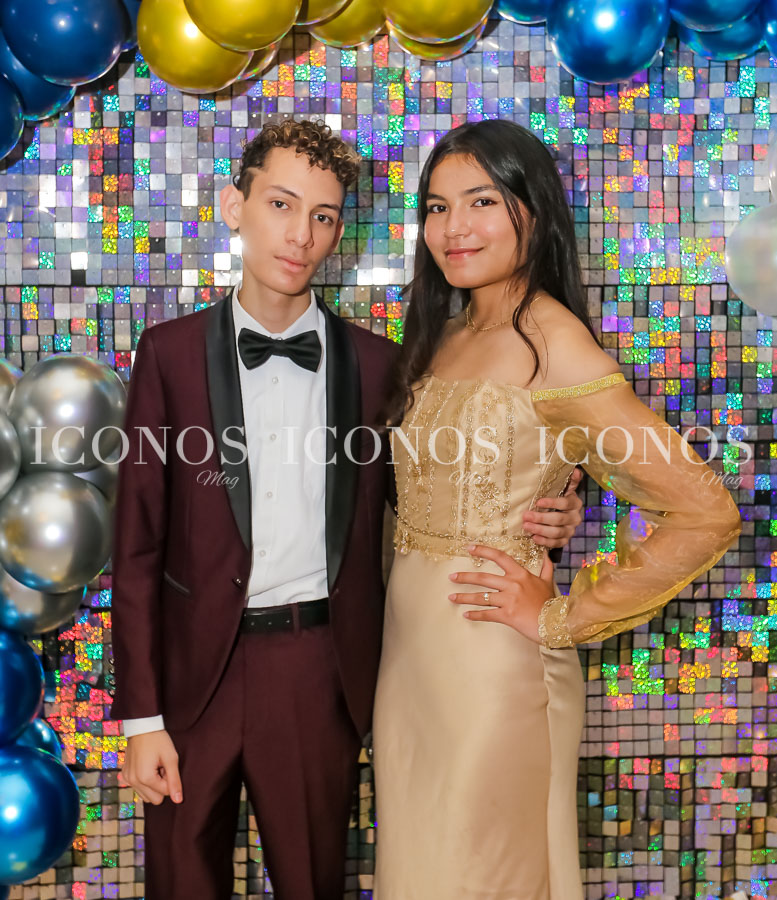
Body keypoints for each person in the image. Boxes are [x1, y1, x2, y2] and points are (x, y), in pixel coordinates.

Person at [108, 118, 585, 900]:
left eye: (323, 216)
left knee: (313, 882)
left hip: (317, 672)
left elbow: (436, 495)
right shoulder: (168, 354)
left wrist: (557, 504)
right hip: (192, 681)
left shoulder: (380, 364)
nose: (300, 234)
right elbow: (134, 551)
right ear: (234, 206)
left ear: (339, 232)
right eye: (281, 204)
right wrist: (140, 718)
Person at [372, 119, 743, 900]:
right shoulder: (442, 332)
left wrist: (563, 617)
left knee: (483, 878)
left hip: (490, 666)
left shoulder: (555, 341)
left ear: (534, 213)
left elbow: (703, 509)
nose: (454, 227)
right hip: (409, 664)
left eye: (482, 201)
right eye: (437, 207)